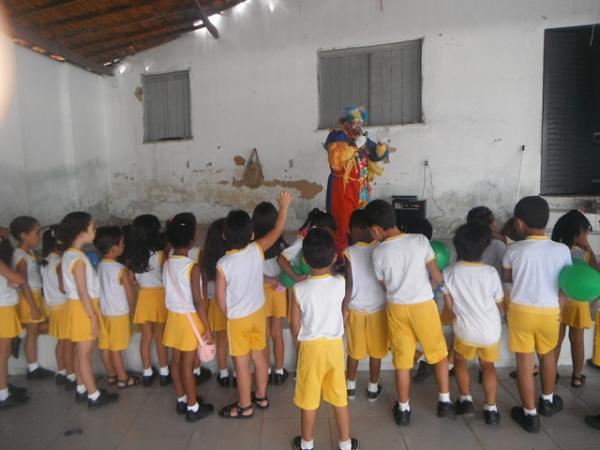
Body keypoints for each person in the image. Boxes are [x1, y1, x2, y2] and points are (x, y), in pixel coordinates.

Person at [364, 199, 454, 426]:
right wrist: (431, 290)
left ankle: (403, 409)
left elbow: (385, 285)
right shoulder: (420, 240)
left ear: (375, 229)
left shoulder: (377, 253)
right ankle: (444, 402)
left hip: (396, 309)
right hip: (423, 305)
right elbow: (436, 276)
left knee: (403, 361)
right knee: (439, 354)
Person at [216, 192, 292, 419]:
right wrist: (284, 207)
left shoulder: (223, 264)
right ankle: (261, 396)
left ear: (223, 235)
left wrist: (229, 314)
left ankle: (245, 405)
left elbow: (221, 299)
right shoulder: (256, 249)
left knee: (241, 363)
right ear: (251, 234)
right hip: (258, 314)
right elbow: (277, 230)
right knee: (259, 359)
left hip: (238, 319)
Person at [502, 196, 572, 433]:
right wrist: (560, 311)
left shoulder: (512, 250)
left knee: (524, 361)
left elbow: (508, 280)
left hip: (521, 311)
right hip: (550, 311)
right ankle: (548, 401)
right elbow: (566, 285)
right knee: (548, 356)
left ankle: (530, 415)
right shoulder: (562, 250)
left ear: (519, 223)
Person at [290, 228, 359, 450]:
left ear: (304, 260)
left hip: (310, 348)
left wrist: (299, 345)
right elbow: (347, 298)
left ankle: (307, 444)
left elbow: (294, 324)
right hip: (334, 348)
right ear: (333, 257)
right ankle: (346, 444)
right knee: (340, 397)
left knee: (309, 399)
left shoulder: (298, 289)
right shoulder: (339, 283)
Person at [442, 222, 503, 425]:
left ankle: (465, 398)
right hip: (490, 330)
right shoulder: (491, 273)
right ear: (484, 247)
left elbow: (450, 307)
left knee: (460, 361)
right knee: (488, 366)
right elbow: (499, 304)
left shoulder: (449, 272)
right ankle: (491, 409)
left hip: (465, 329)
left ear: (456, 245)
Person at [58, 212, 119, 408]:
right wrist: (92, 317)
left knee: (79, 353)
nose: (95, 232)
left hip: (77, 307)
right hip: (83, 309)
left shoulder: (69, 254)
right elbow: (83, 292)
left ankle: (82, 388)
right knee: (84, 354)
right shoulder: (77, 259)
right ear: (82, 233)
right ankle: (94, 396)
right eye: (92, 228)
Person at [162, 213, 214, 422]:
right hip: (189, 321)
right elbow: (198, 301)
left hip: (173, 318)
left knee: (176, 362)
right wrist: (207, 327)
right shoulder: (193, 267)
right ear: (193, 241)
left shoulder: (166, 264)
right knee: (188, 364)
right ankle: (193, 407)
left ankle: (182, 398)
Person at [324, 106, 394, 255]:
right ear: (345, 123)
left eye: (361, 122)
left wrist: (381, 145)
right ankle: (342, 258)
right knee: (343, 223)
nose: (359, 125)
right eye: (356, 122)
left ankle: (360, 253)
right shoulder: (336, 137)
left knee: (361, 222)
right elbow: (336, 159)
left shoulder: (362, 138)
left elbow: (376, 156)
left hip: (361, 188)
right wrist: (355, 145)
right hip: (343, 188)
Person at [342, 209, 386, 401]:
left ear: (356, 229)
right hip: (378, 308)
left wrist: (344, 306)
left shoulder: (349, 252)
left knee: (354, 351)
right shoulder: (381, 248)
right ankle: (372, 388)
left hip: (356, 308)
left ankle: (349, 387)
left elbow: (349, 282)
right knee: (376, 352)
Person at [124, 214, 170, 387]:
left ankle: (147, 372)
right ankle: (165, 373)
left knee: (146, 337)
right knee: (160, 337)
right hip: (159, 297)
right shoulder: (160, 256)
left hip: (144, 297)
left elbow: (131, 279)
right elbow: (168, 278)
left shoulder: (134, 258)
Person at [3, 217, 53, 379]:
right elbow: (22, 282)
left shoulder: (27, 252)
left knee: (37, 330)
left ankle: (32, 362)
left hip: (34, 296)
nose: (39, 236)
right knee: (32, 332)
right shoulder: (20, 255)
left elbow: (34, 261)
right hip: (29, 298)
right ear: (23, 235)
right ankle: (33, 368)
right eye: (36, 233)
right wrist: (33, 306)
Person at [552, 210, 596, 388]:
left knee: (557, 338)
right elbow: (596, 269)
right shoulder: (583, 253)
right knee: (577, 338)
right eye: (585, 232)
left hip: (558, 299)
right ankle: (577, 376)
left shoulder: (556, 249)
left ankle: (551, 372)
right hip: (578, 301)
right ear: (576, 233)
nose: (586, 236)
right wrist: (589, 248)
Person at [95, 226, 140, 389]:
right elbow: (129, 293)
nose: (124, 246)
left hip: (104, 313)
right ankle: (123, 378)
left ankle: (111, 374)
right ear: (114, 249)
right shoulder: (121, 270)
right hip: (118, 314)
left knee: (105, 346)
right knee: (117, 348)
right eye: (122, 244)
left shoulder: (99, 267)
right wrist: (133, 307)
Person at [252, 201, 289, 385]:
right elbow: (289, 268)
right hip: (278, 292)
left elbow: (252, 273)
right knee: (277, 333)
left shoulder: (254, 247)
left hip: (260, 293)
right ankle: (279, 370)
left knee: (264, 334)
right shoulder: (282, 245)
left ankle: (264, 369)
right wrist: (278, 281)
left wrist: (268, 281)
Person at [40, 227, 76, 388]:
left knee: (61, 342)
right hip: (63, 307)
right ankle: (72, 375)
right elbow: (63, 287)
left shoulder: (45, 261)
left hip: (53, 307)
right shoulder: (60, 263)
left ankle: (61, 371)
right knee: (69, 343)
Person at [200, 218, 231, 387]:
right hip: (228, 306)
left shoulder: (204, 258)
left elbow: (203, 288)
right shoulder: (228, 259)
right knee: (230, 342)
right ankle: (241, 371)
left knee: (221, 342)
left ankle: (223, 373)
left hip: (213, 306)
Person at [0, 260, 29, 409]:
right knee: (3, 353)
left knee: (4, 353)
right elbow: (20, 279)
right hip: (2, 309)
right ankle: (3, 394)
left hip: (3, 307)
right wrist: (13, 278)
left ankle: (3, 386)